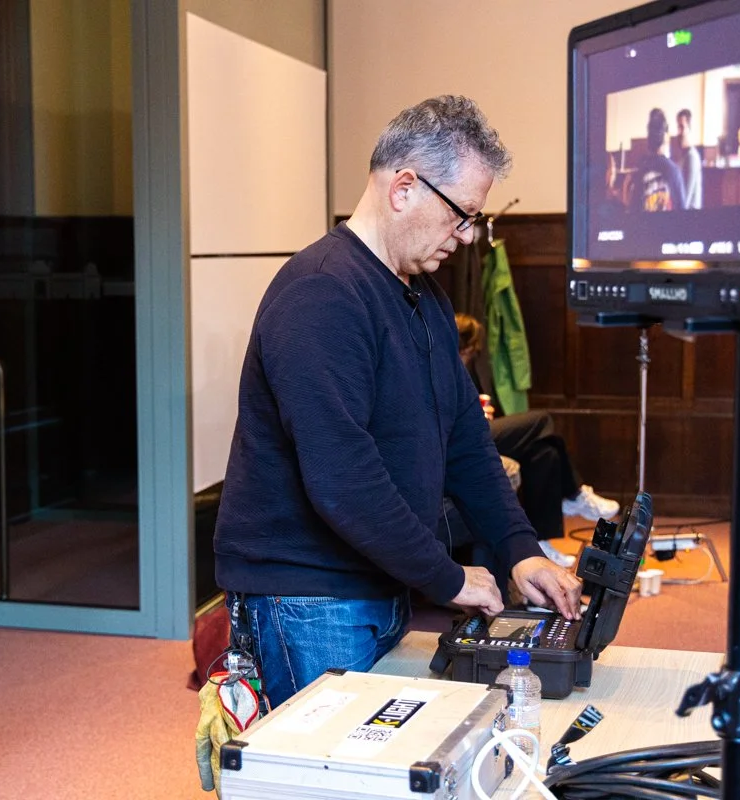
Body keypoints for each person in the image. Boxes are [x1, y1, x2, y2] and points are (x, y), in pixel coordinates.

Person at [213, 96, 582, 709]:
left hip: (376, 581)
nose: (467, 236)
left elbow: (466, 440)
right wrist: (445, 575)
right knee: (328, 760)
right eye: (462, 216)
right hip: (306, 597)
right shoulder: (320, 293)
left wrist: (520, 549)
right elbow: (342, 478)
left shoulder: (424, 296)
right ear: (404, 187)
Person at [454, 313, 620, 569]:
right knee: (542, 421)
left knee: (544, 451)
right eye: (472, 350)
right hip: (461, 438)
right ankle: (574, 494)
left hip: (474, 429)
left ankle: (539, 542)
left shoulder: (467, 370)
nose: (473, 354)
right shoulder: (444, 366)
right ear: (464, 346)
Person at [626, 108, 686, 213]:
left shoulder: (640, 171)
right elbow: (683, 213)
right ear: (665, 137)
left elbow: (633, 210)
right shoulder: (674, 172)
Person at [675, 109, 703, 210]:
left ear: (689, 129)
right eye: (678, 127)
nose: (679, 132)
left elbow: (685, 199)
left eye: (682, 127)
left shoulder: (692, 157)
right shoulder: (683, 155)